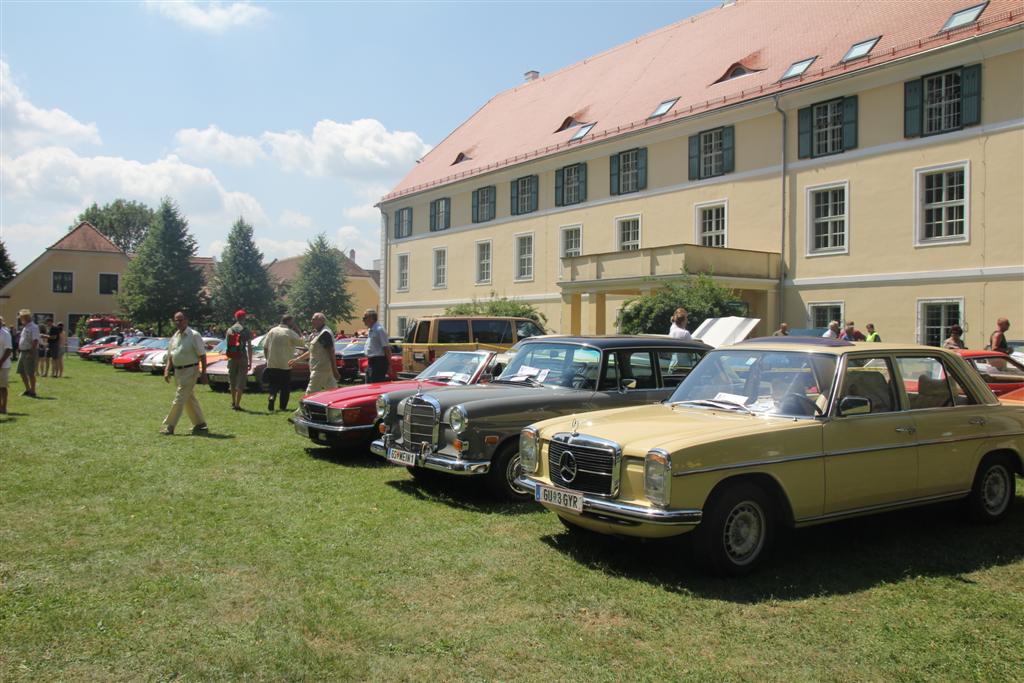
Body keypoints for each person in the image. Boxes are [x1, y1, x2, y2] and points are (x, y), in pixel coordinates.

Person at [160, 311, 208, 436]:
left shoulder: (194, 335)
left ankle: (170, 426)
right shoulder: (175, 336)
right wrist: (167, 369)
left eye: (180, 320)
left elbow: (202, 355)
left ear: (186, 320)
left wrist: (204, 373)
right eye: (176, 320)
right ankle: (200, 423)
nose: (178, 322)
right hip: (178, 372)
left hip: (190, 370)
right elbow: (171, 355)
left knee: (180, 398)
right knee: (188, 398)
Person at [290, 312, 339, 394]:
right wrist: (296, 360)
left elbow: (331, 352)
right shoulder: (318, 333)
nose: (311, 321)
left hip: (321, 368)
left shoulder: (324, 333)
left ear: (322, 320)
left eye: (314, 319)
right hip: (322, 368)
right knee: (333, 392)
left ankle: (304, 407)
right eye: (312, 319)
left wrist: (335, 370)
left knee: (311, 392)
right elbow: (311, 351)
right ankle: (337, 405)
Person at [263, 314, 303, 411]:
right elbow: (302, 343)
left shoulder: (272, 331)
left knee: (273, 385)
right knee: (285, 387)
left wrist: (267, 359)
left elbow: (265, 346)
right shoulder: (290, 332)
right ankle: (282, 407)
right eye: (292, 322)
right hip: (285, 364)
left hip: (272, 364)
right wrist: (298, 331)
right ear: (289, 322)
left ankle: (272, 397)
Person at [225, 309, 253, 411]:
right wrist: (250, 361)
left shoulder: (229, 330)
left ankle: (232, 401)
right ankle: (237, 404)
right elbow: (249, 347)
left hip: (232, 358)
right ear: (244, 318)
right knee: (241, 381)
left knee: (232, 380)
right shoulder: (246, 330)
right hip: (242, 357)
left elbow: (227, 345)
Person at [16, 309, 40, 397]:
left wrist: (31, 352)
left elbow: (35, 340)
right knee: (21, 372)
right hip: (23, 352)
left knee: (30, 373)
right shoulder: (26, 327)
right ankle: (27, 389)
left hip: (29, 352)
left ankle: (33, 391)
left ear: (26, 317)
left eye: (21, 318)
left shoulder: (34, 327)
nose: (20, 319)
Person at [363, 309, 390, 384]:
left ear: (371, 318)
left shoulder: (379, 330)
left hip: (378, 362)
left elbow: (386, 348)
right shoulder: (371, 330)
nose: (363, 320)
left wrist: (389, 365)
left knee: (375, 386)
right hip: (371, 362)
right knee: (368, 385)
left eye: (365, 318)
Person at [0, 316, 11, 414]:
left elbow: (8, 349)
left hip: (3, 365)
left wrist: (1, 361)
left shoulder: (5, 333)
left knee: (3, 387)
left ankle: (4, 407)